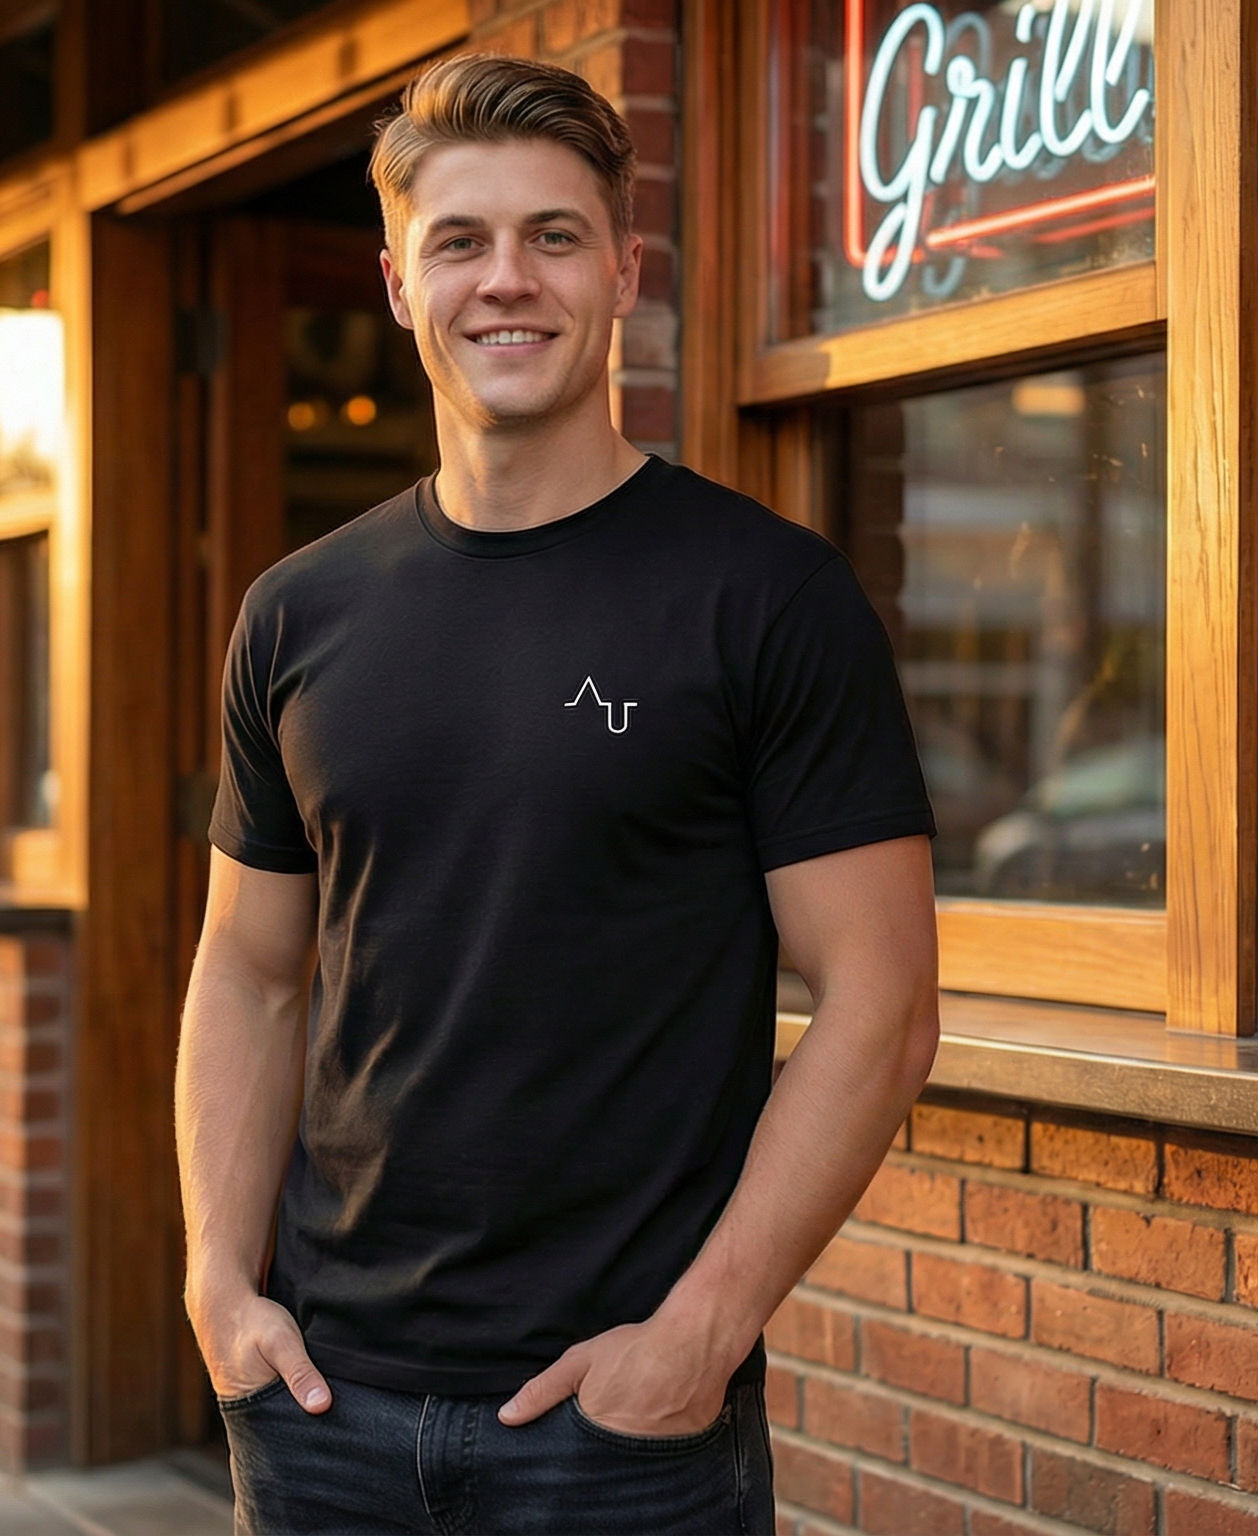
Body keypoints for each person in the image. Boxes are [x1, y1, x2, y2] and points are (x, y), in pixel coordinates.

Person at [175, 52, 940, 1536]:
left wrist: (699, 1337)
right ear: (400, 284)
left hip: (622, 1434)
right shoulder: (296, 614)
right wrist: (218, 1285)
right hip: (324, 1413)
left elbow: (883, 1001)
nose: (506, 280)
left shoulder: (765, 597)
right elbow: (251, 973)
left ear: (624, 271)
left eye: (554, 236)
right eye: (459, 241)